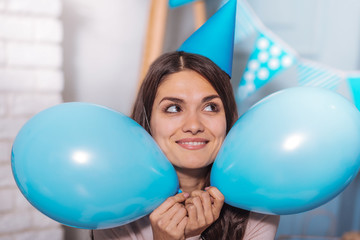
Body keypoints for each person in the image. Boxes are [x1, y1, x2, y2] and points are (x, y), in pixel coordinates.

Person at [92, 51, 279, 240]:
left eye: (210, 107)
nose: (194, 126)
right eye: (174, 108)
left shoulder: (255, 207)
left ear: (228, 120)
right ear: (148, 122)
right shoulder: (115, 209)